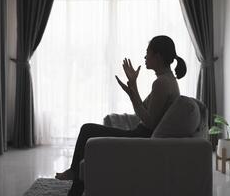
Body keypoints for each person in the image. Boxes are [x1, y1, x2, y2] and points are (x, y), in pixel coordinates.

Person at [55, 35, 187, 196]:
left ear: (157, 56)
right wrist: (133, 87)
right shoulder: (166, 80)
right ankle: (75, 185)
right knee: (89, 131)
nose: (145, 57)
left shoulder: (161, 83)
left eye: (148, 53)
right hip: (142, 135)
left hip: (142, 138)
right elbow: (142, 110)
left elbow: (149, 122)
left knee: (87, 130)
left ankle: (74, 173)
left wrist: (133, 90)